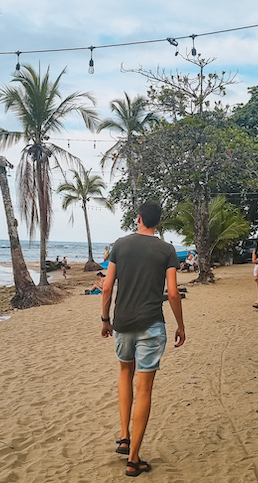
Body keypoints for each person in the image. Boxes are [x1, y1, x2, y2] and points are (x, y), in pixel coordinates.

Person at [100, 201, 185, 477]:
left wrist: (105, 319)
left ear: (138, 219)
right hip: (151, 324)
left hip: (122, 323)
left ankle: (124, 436)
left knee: (125, 372)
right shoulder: (166, 250)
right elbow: (172, 293)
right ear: (158, 222)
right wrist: (181, 325)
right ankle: (134, 459)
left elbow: (107, 287)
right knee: (144, 389)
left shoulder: (120, 245)